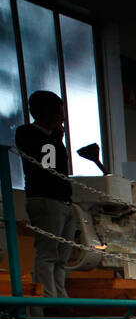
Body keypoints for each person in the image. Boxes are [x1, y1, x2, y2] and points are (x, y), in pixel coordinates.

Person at [15, 91, 76, 299]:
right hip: (45, 198)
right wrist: (57, 136)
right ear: (46, 113)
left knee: (62, 255)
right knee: (48, 252)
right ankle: (47, 298)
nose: (62, 118)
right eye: (59, 113)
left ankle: (60, 295)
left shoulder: (54, 138)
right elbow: (46, 162)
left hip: (63, 200)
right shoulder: (27, 133)